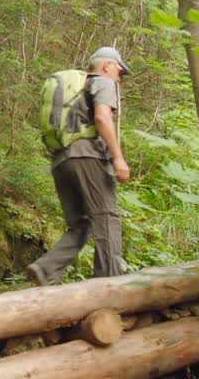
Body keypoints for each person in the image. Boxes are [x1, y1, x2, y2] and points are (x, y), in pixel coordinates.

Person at [28, 46, 131, 285]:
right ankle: (109, 284)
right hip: (88, 156)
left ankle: (46, 269)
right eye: (120, 73)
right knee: (106, 217)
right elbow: (102, 117)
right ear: (108, 66)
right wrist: (118, 158)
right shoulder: (102, 82)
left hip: (61, 160)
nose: (120, 79)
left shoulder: (78, 89)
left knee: (81, 223)